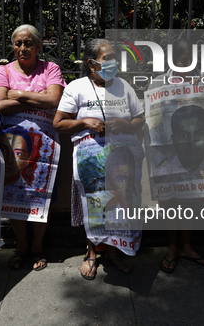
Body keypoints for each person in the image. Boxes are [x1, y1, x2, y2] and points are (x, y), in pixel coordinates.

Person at [53, 38, 145, 280]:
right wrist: (84, 122)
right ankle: (92, 252)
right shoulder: (76, 87)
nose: (113, 63)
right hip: (91, 164)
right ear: (91, 64)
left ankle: (115, 251)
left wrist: (125, 123)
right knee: (93, 204)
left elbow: (140, 120)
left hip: (123, 162)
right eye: (108, 59)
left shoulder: (124, 87)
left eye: (114, 58)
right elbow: (59, 123)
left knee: (122, 205)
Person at [0, 24, 66, 271]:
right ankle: (21, 246)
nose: (23, 48)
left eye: (28, 43)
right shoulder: (3, 70)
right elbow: (0, 105)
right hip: (13, 147)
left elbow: (54, 100)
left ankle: (37, 247)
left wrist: (18, 94)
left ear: (38, 46)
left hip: (44, 148)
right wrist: (36, 98)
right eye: (18, 43)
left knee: (41, 197)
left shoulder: (50, 68)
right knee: (15, 195)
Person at [147, 38, 204, 273]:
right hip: (167, 153)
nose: (187, 65)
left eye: (190, 60)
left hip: (192, 154)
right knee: (170, 201)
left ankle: (186, 245)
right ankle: (173, 247)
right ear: (172, 61)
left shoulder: (202, 81)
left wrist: (203, 89)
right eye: (182, 60)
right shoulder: (158, 82)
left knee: (189, 199)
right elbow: (151, 115)